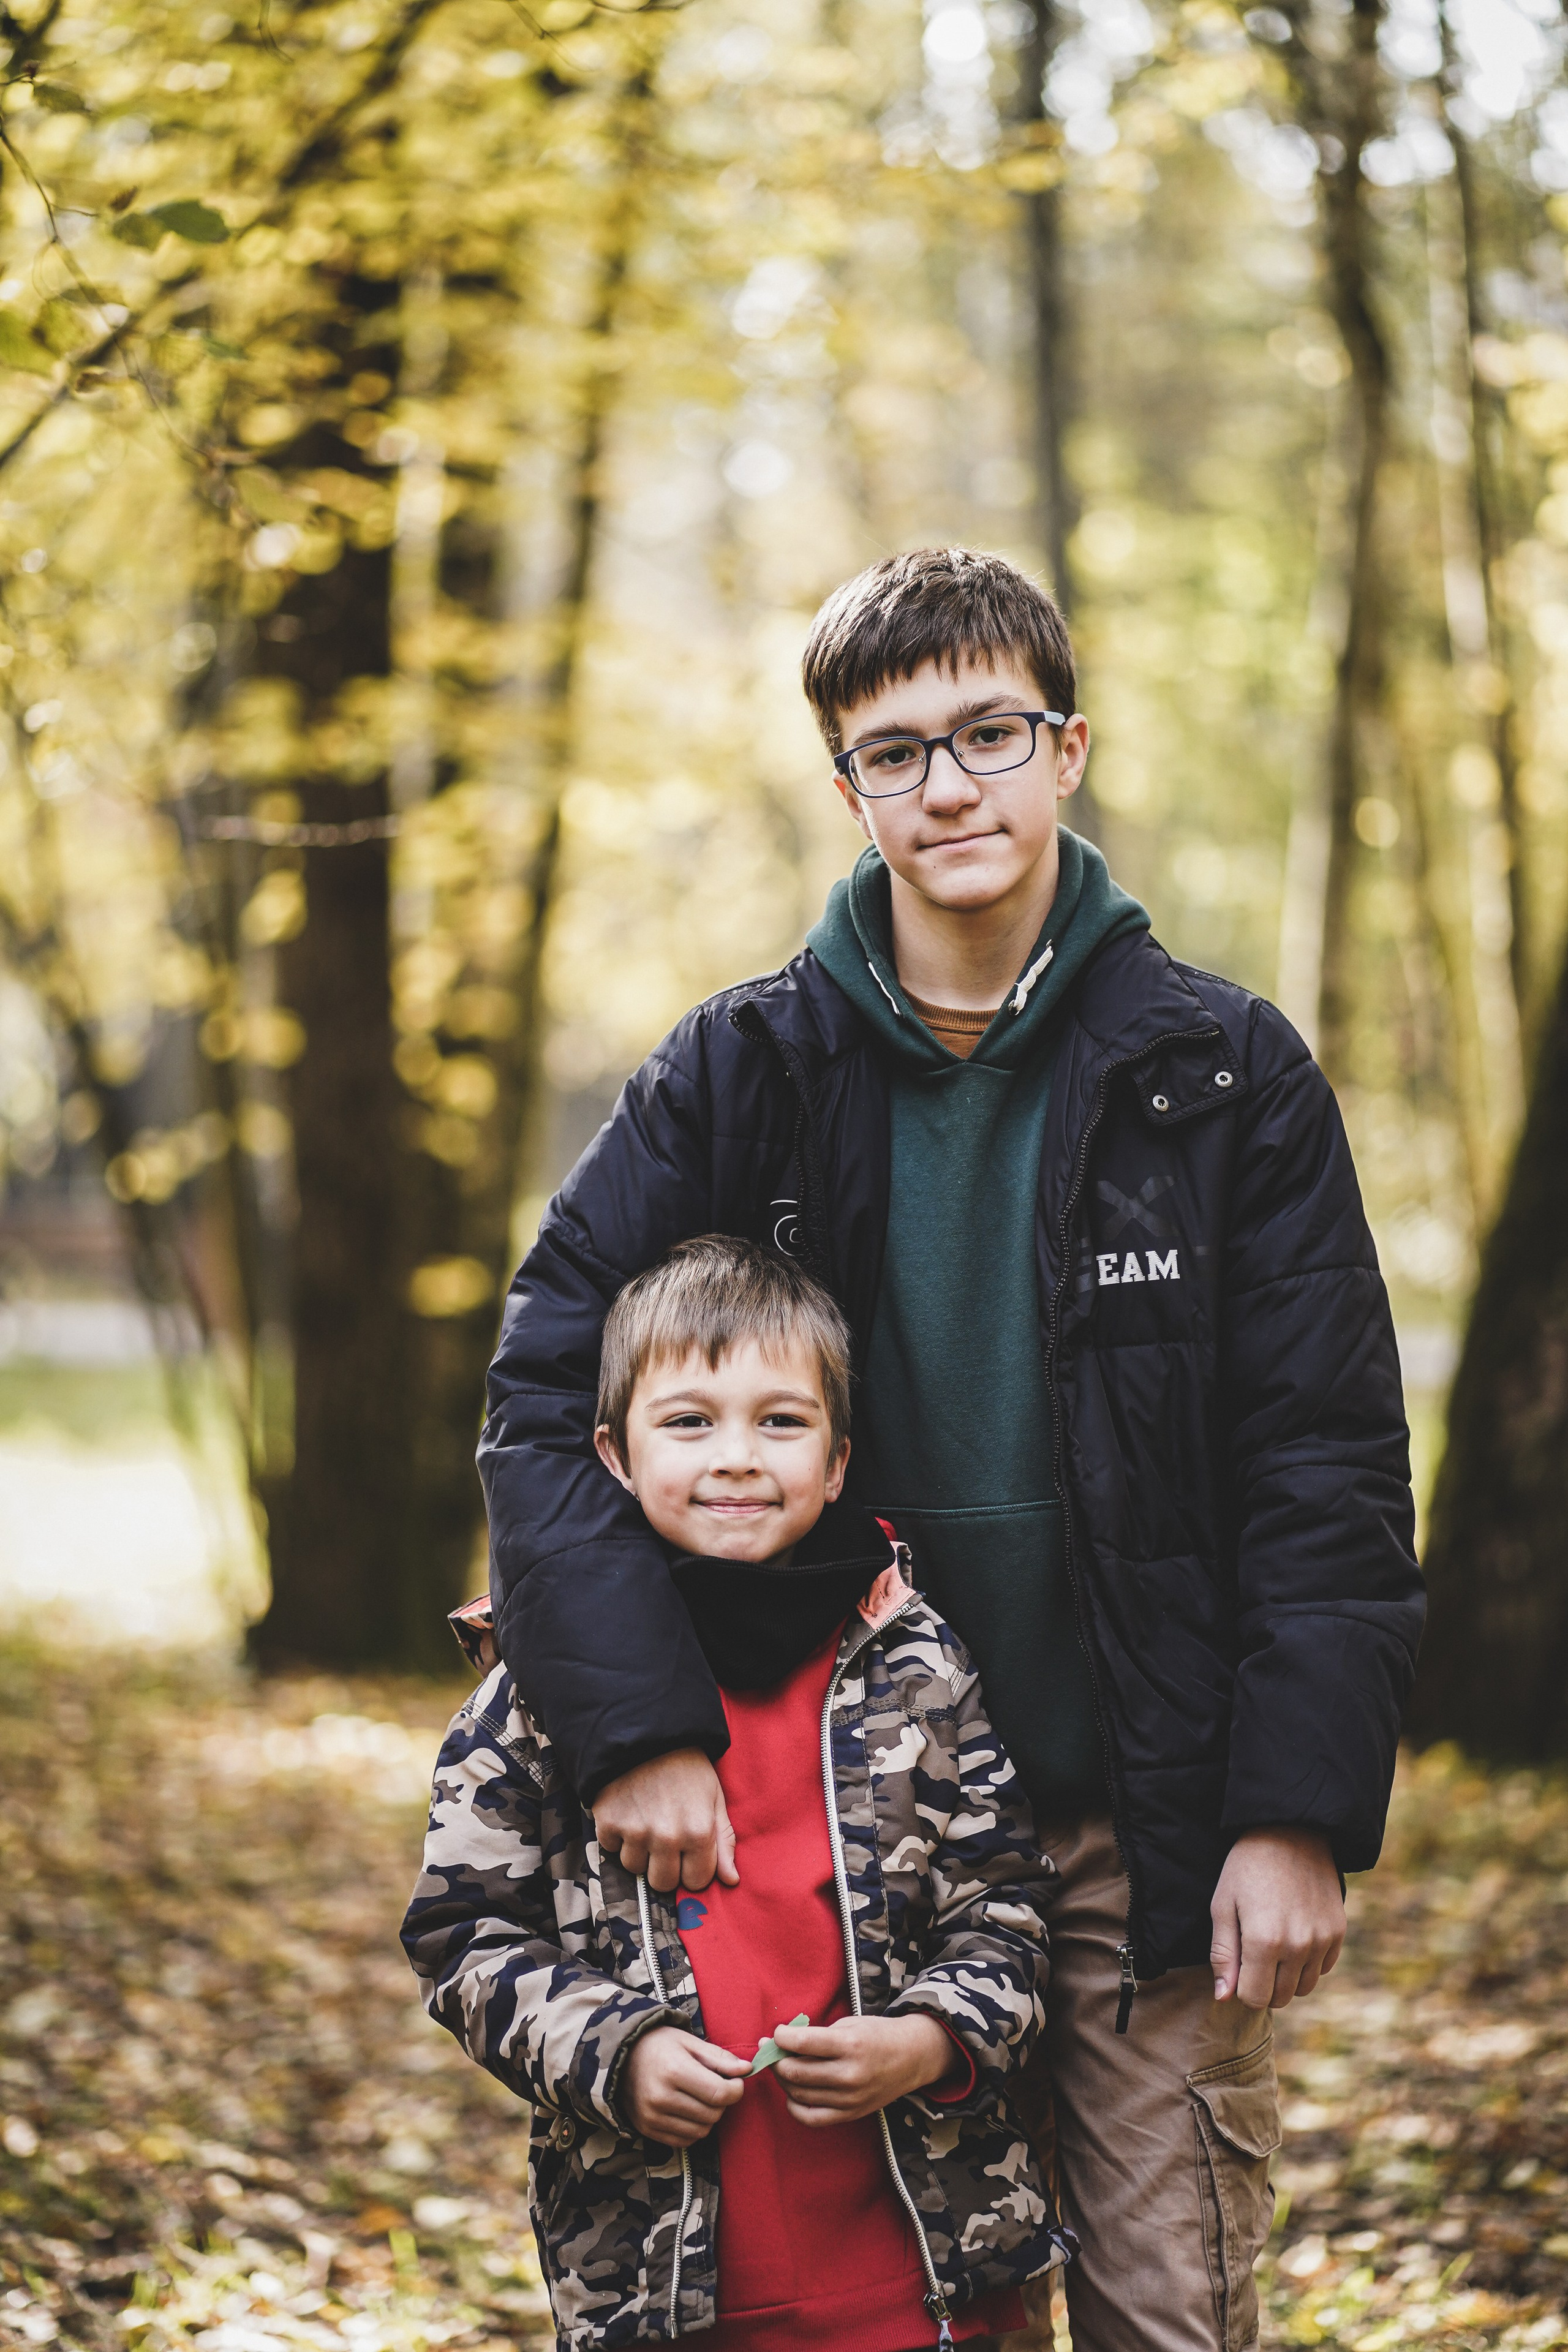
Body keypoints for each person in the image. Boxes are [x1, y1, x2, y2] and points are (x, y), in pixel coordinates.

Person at [478, 546, 1426, 2352]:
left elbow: (1325, 1465)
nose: (951, 785)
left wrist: (1294, 1810)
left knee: (1171, 2312)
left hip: (1150, 1837)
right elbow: (547, 1397)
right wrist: (638, 1728)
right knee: (928, 2324)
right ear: (849, 789)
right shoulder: (738, 1072)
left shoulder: (1222, 1074)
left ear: (1066, 749)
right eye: (896, 752)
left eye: (990, 732)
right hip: (855, 1845)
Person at [404, 1236, 1074, 2352]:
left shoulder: (916, 1663)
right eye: (689, 1422)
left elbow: (1005, 1901)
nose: (736, 1458)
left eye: (781, 1421)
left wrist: (928, 2036)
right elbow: (462, 1933)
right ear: (613, 1454)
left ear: (840, 1457)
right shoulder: (545, 1691)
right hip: (664, 2279)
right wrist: (616, 2050)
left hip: (929, 2269)